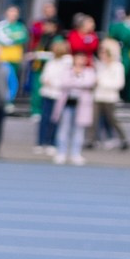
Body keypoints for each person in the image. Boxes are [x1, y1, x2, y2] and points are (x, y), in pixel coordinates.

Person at [49, 36, 96, 165]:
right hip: (67, 103)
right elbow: (64, 82)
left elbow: (89, 83)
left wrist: (76, 81)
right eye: (78, 57)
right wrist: (76, 81)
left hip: (81, 104)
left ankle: (76, 153)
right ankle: (61, 152)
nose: (80, 60)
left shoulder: (89, 71)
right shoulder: (67, 70)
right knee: (64, 128)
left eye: (83, 57)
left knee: (78, 130)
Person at [90, 42, 130, 150]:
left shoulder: (117, 67)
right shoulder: (100, 65)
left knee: (112, 119)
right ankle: (92, 140)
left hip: (110, 97)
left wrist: (102, 83)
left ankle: (123, 139)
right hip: (98, 96)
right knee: (94, 119)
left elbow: (119, 83)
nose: (102, 56)